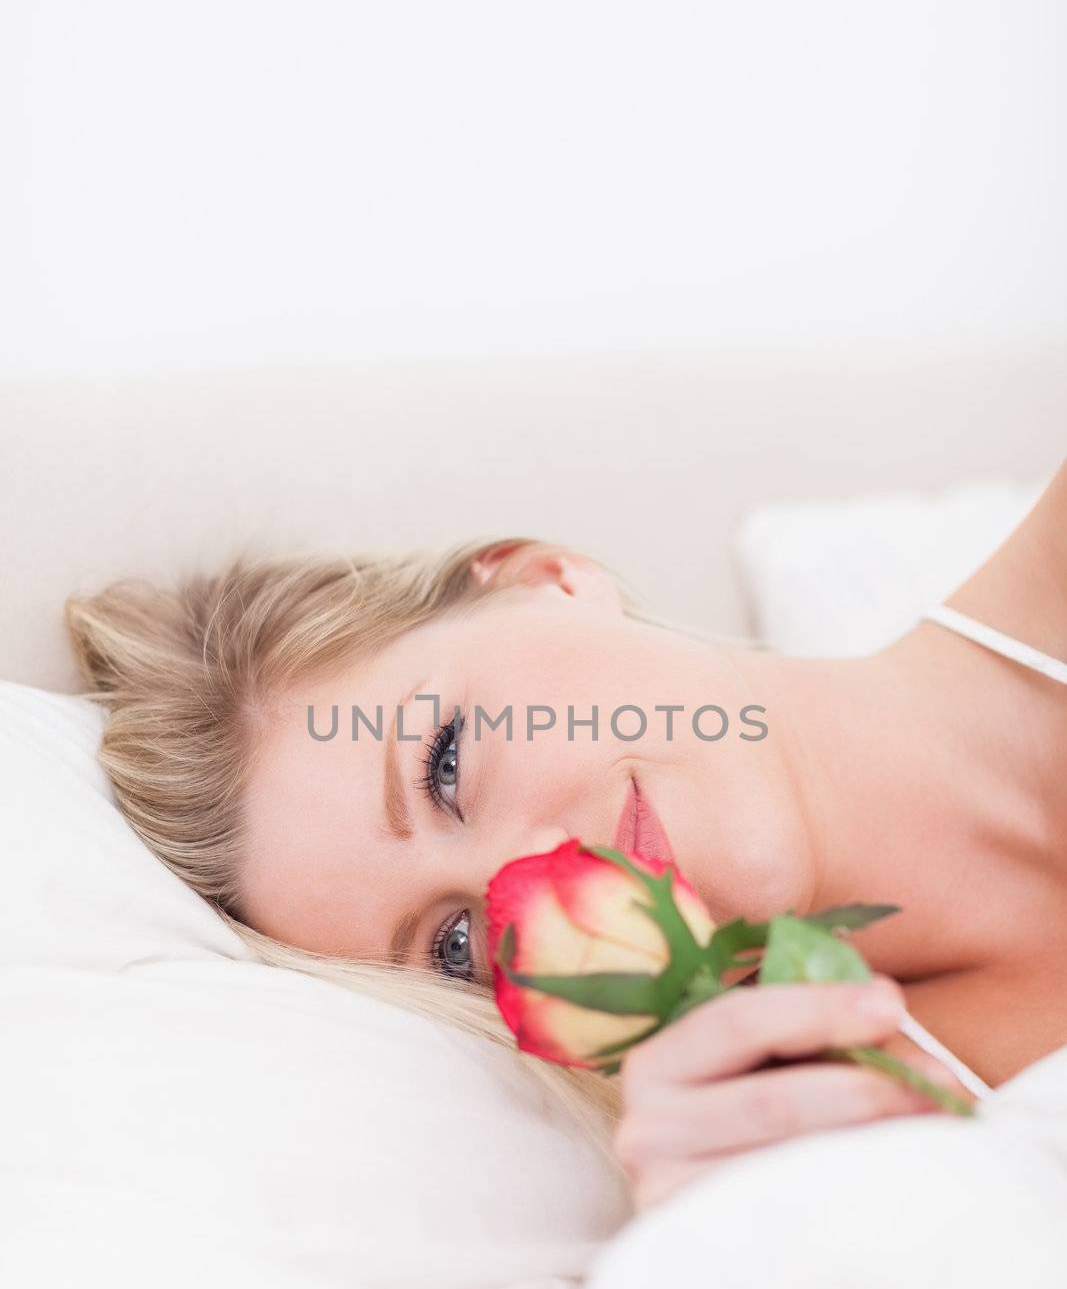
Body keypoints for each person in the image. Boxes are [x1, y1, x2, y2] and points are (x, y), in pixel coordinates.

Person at [65, 459, 1067, 1212]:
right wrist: (733, 1256)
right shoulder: (855, 1156)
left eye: (444, 762)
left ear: (547, 576)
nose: (529, 879)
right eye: (454, 943)